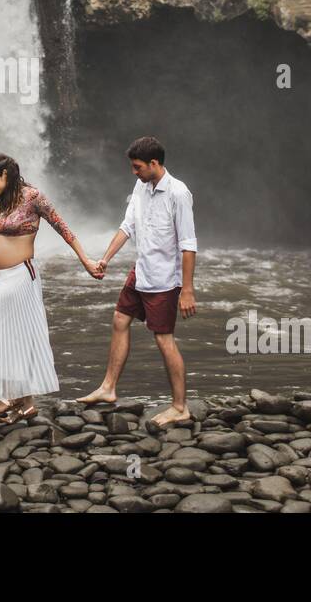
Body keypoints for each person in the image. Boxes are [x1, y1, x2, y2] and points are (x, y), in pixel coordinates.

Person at [0, 153, 104, 424]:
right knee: (9, 336)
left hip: (22, 276)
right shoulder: (2, 199)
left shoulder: (33, 196)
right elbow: (3, 237)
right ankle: (24, 404)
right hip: (3, 277)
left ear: (6, 174)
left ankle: (8, 397)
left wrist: (87, 261)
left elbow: (63, 228)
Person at [78, 136, 197, 428]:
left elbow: (189, 244)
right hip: (140, 270)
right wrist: (105, 259)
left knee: (163, 338)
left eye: (138, 167)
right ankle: (108, 387)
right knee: (119, 319)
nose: (134, 171)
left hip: (164, 280)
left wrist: (187, 290)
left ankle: (180, 407)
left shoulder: (178, 193)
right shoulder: (141, 185)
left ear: (154, 164)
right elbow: (127, 226)